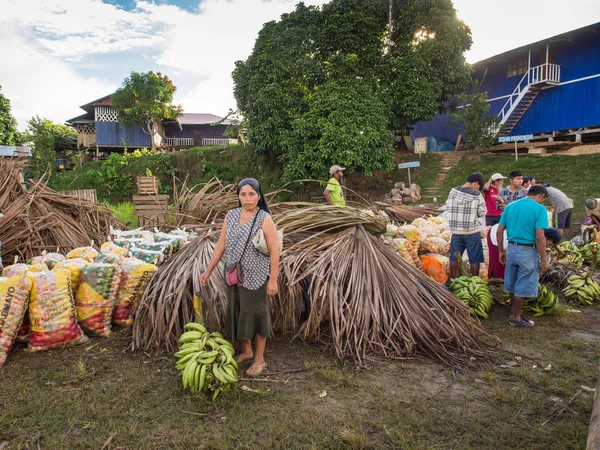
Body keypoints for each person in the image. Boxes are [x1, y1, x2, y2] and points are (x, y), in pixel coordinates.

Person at [200, 178, 280, 377]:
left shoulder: (264, 218)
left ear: (259, 196)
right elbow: (221, 244)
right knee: (238, 312)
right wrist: (208, 270)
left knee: (258, 316)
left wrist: (273, 279)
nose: (247, 198)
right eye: (243, 194)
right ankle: (246, 351)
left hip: (257, 277)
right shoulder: (231, 215)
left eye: (252, 194)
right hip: (234, 275)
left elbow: (275, 249)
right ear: (238, 196)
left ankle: (260, 359)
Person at [497, 184, 549, 327]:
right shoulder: (540, 209)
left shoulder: (510, 206)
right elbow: (540, 237)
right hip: (528, 251)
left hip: (512, 249)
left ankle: (513, 311)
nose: (543, 202)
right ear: (541, 196)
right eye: (544, 199)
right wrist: (544, 260)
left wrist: (501, 251)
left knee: (512, 283)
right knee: (523, 284)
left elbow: (499, 231)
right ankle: (516, 318)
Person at [446, 172, 486, 278]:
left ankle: (453, 279)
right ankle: (475, 280)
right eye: (479, 186)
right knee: (475, 258)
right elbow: (482, 212)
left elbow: (448, 207)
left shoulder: (452, 192)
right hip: (472, 231)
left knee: (454, 257)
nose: (478, 189)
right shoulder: (477, 195)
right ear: (476, 183)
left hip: (456, 231)